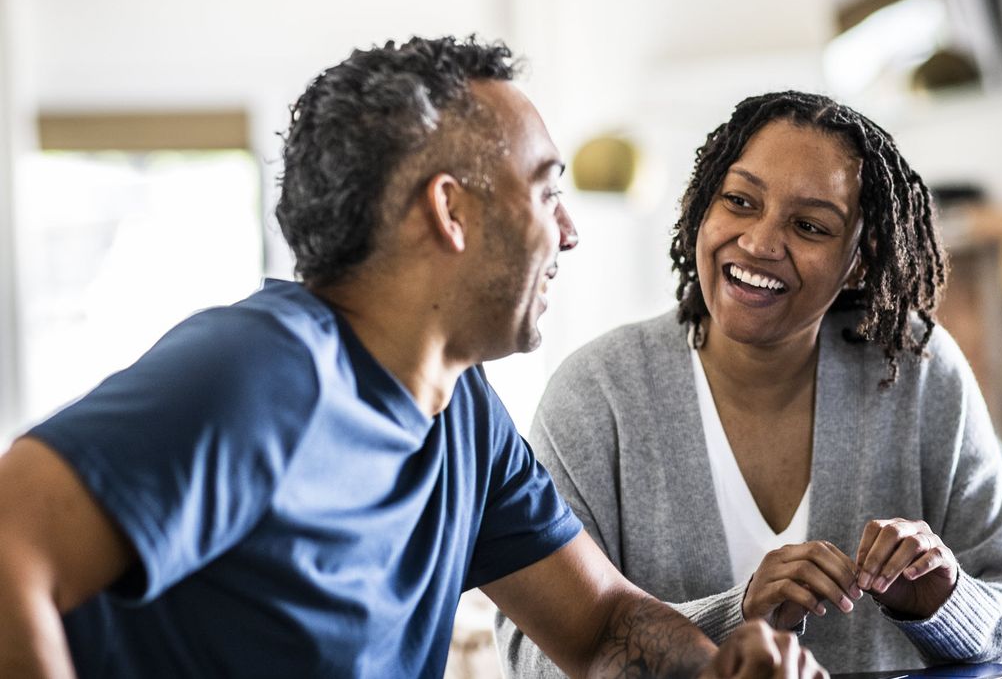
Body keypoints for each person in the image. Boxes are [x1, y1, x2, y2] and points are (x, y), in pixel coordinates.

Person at [0, 37, 827, 678]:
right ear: (452, 211)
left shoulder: (462, 413)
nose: (568, 231)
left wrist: (722, 665)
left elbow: (603, 624)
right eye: (545, 191)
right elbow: (10, 544)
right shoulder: (267, 368)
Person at [497, 91, 1002, 675]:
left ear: (859, 259)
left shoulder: (916, 369)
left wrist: (945, 604)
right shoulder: (599, 395)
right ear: (700, 210)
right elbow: (533, 659)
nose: (761, 243)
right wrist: (737, 614)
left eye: (810, 226)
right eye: (739, 201)